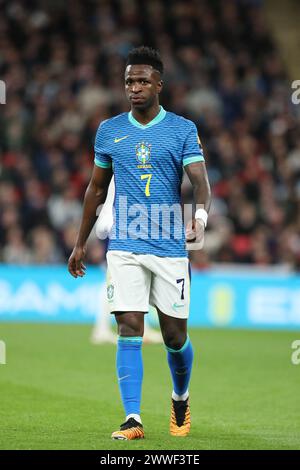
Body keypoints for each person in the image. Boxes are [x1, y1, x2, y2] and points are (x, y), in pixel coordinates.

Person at [68, 46, 211, 440]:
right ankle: (133, 419)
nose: (135, 87)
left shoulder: (182, 129)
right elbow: (96, 190)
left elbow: (200, 183)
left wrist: (198, 219)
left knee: (174, 336)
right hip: (125, 245)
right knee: (128, 327)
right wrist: (80, 243)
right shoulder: (109, 130)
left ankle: (180, 398)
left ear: (159, 85)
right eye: (129, 81)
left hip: (169, 246)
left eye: (143, 80)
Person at [91, 176, 163, 345]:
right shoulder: (123, 166)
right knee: (113, 279)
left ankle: (140, 327)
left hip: (123, 221)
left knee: (138, 277)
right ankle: (101, 329)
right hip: (119, 222)